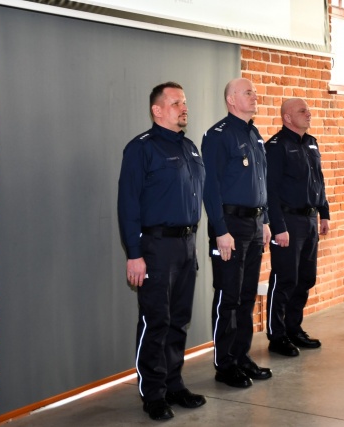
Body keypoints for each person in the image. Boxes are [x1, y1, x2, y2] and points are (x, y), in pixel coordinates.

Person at [117, 82, 206, 421]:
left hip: (186, 245)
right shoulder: (141, 148)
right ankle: (153, 393)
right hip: (155, 247)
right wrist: (134, 253)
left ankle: (173, 384)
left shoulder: (190, 148)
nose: (184, 107)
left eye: (184, 102)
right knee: (156, 320)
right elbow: (128, 204)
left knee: (179, 320)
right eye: (176, 103)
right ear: (157, 110)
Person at [202, 78, 272, 388]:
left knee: (246, 296)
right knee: (228, 296)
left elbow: (262, 181)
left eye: (254, 92)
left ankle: (241, 356)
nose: (255, 96)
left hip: (254, 226)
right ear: (232, 99)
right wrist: (221, 230)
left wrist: (265, 220)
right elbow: (211, 187)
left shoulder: (254, 134)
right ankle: (225, 363)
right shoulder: (218, 135)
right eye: (248, 92)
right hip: (230, 226)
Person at [265, 98, 330, 357]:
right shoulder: (276, 146)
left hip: (310, 220)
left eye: (309, 110)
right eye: (303, 111)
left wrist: (324, 213)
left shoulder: (311, 143)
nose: (309, 114)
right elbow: (270, 190)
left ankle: (294, 329)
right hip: (288, 222)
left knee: (305, 278)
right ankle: (277, 336)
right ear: (287, 117)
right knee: (285, 279)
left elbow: (319, 180)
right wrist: (278, 226)